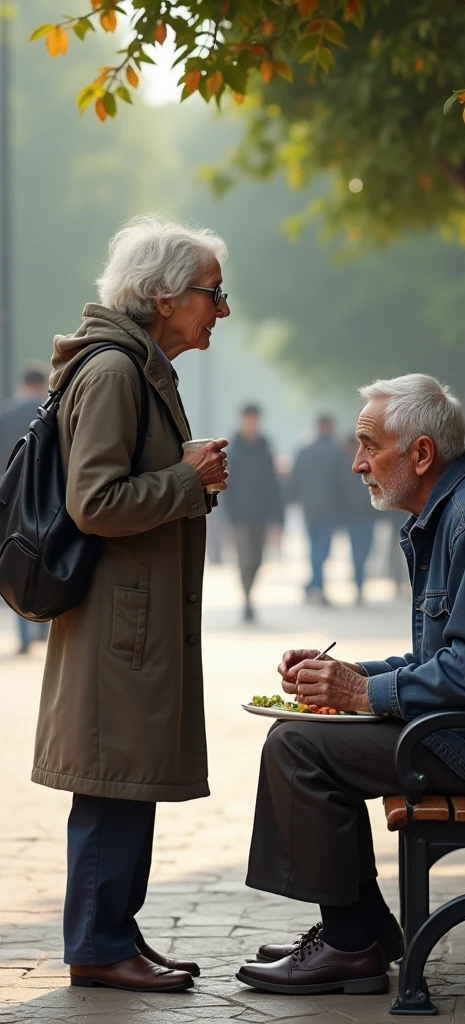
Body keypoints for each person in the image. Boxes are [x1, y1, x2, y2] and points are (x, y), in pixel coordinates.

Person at [237, 373, 465, 996]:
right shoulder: (457, 511)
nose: (356, 462)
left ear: (421, 454)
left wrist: (361, 695)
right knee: (303, 734)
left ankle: (349, 946)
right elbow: (443, 658)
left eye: (368, 444)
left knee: (297, 748)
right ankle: (364, 929)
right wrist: (348, 677)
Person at [31, 215, 230, 994]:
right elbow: (95, 501)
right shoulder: (116, 371)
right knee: (113, 783)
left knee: (126, 782)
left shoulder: (137, 366)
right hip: (120, 620)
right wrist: (188, 480)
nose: (220, 311)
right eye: (212, 294)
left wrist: (185, 474)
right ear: (162, 296)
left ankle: (115, 934)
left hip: (131, 618)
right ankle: (97, 946)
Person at [0, 362, 51, 654]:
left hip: (11, 499)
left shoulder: (6, 415)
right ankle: (43, 624)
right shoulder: (50, 411)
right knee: (43, 557)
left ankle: (23, 635)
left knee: (15, 559)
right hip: (45, 497)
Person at [224, 404, 284, 621]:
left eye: (255, 419)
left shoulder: (265, 447)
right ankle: (247, 599)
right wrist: (228, 520)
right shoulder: (234, 449)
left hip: (261, 515)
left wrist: (279, 519)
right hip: (240, 516)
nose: (252, 423)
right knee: (245, 559)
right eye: (248, 419)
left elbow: (273, 485)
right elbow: (226, 487)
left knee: (258, 559)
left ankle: (250, 594)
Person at [290, 415, 345, 605]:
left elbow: (294, 479)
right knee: (322, 550)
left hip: (310, 508)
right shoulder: (337, 451)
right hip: (329, 509)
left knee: (315, 548)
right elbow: (343, 482)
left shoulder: (305, 450)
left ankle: (313, 585)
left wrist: (296, 501)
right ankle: (317, 586)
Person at [342, 436, 378, 604]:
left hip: (365, 515)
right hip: (355, 517)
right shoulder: (345, 466)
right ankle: (358, 584)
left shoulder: (367, 464)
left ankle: (359, 583)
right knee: (358, 552)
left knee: (364, 551)